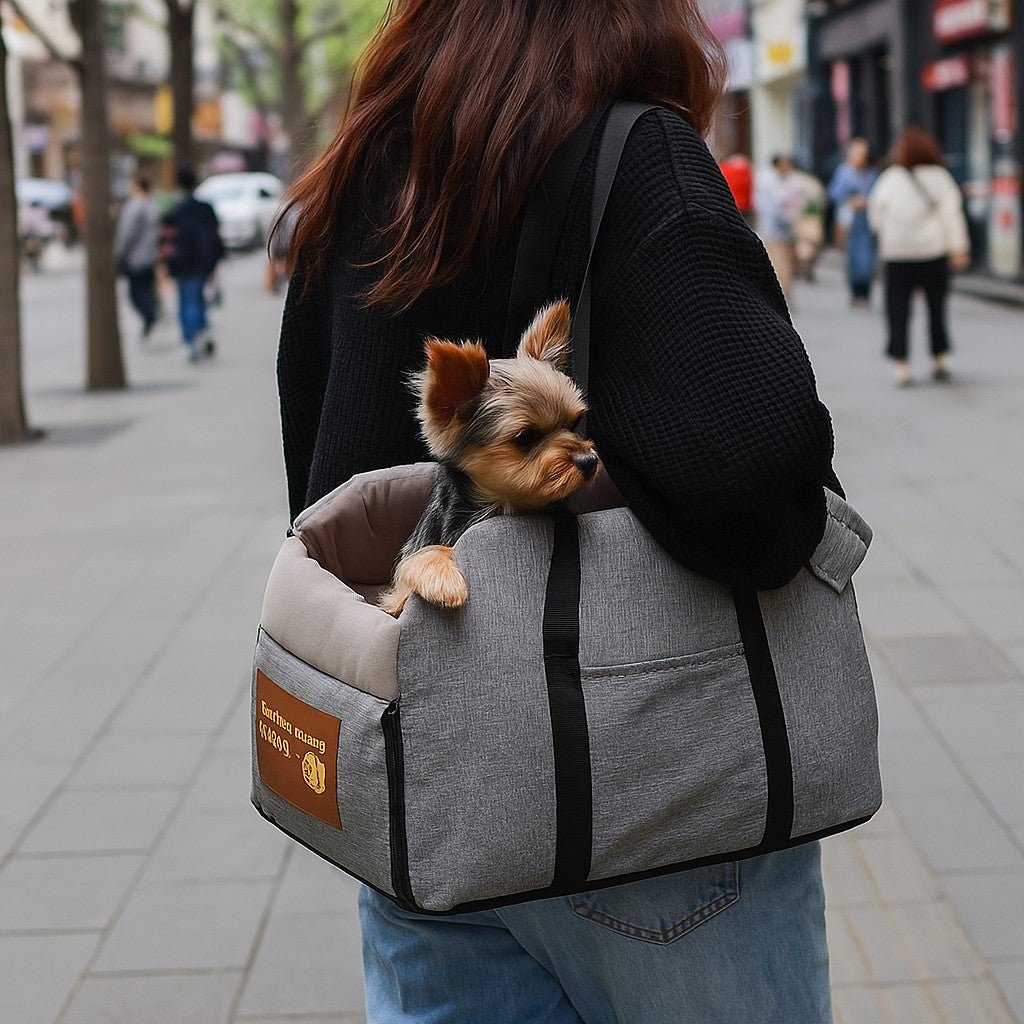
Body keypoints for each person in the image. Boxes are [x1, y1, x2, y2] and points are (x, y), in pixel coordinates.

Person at [276, 2, 845, 1020]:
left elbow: (327, 481)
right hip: (657, 815)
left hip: (430, 810)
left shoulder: (364, 170)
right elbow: (753, 482)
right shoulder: (638, 154)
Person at [868, 126, 970, 387]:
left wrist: (887, 236)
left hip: (897, 254)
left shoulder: (889, 178)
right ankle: (939, 358)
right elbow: (952, 215)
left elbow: (875, 216)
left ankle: (901, 366)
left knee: (897, 310)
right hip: (932, 253)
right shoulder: (940, 177)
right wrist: (958, 248)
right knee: (937, 308)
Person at [161, 166, 225, 361]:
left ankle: (191, 340)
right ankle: (202, 333)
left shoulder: (175, 211)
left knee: (186, 301)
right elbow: (215, 236)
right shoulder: (205, 209)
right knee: (197, 298)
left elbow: (166, 239)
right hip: (202, 262)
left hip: (182, 263)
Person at [828, 138, 878, 306]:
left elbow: (879, 195)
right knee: (854, 259)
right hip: (850, 221)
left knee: (868, 259)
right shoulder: (844, 172)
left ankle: (866, 292)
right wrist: (850, 200)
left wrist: (868, 201)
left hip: (868, 221)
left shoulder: (871, 173)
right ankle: (857, 293)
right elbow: (834, 193)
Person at [114, 172, 161, 339]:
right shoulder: (151, 205)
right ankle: (152, 313)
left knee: (136, 294)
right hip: (148, 256)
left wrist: (119, 252)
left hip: (136, 258)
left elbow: (128, 233)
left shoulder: (136, 206)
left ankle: (150, 315)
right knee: (146, 290)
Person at [755, 154, 806, 300]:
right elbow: (767, 205)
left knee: (789, 263)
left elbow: (800, 203)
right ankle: (780, 295)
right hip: (773, 230)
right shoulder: (766, 181)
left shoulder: (794, 181)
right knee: (778, 263)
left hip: (790, 230)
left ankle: (786, 292)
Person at [719, 153, 754, 225]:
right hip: (743, 206)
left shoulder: (723, 169)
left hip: (728, 205)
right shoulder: (745, 170)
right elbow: (749, 190)